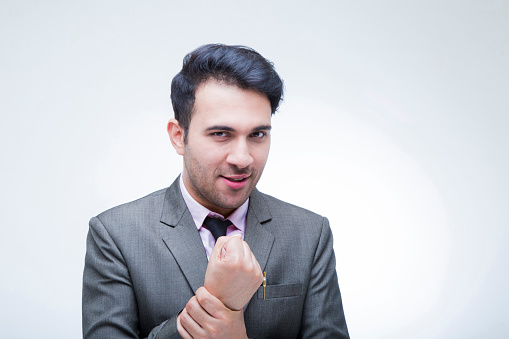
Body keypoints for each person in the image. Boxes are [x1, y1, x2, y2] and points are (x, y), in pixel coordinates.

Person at [82, 43, 349, 338]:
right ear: (179, 136)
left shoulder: (310, 233)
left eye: (258, 134)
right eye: (221, 134)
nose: (243, 158)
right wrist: (217, 304)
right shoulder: (116, 234)